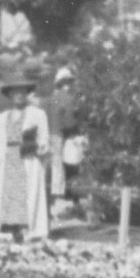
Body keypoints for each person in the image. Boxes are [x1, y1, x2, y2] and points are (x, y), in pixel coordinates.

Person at [0, 72, 50, 241]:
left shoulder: (37, 114)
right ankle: (9, 228)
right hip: (9, 158)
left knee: (28, 194)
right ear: (9, 95)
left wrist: (35, 146)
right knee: (8, 194)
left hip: (28, 159)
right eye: (14, 92)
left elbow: (44, 139)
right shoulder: (2, 117)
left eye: (22, 92)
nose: (18, 96)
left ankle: (28, 230)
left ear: (27, 93)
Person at [48, 65, 81, 206]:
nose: (68, 85)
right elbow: (68, 121)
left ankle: (60, 196)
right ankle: (61, 197)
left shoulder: (53, 96)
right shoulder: (65, 97)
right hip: (59, 135)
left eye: (69, 82)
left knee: (58, 166)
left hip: (53, 134)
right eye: (65, 82)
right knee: (61, 167)